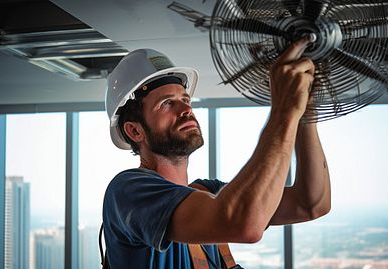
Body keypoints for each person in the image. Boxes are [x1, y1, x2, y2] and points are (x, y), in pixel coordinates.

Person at [102, 36, 331, 269]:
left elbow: (311, 203)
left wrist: (305, 112)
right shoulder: (128, 192)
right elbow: (245, 224)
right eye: (167, 104)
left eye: (185, 99)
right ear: (134, 130)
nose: (186, 109)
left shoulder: (209, 195)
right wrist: (284, 111)